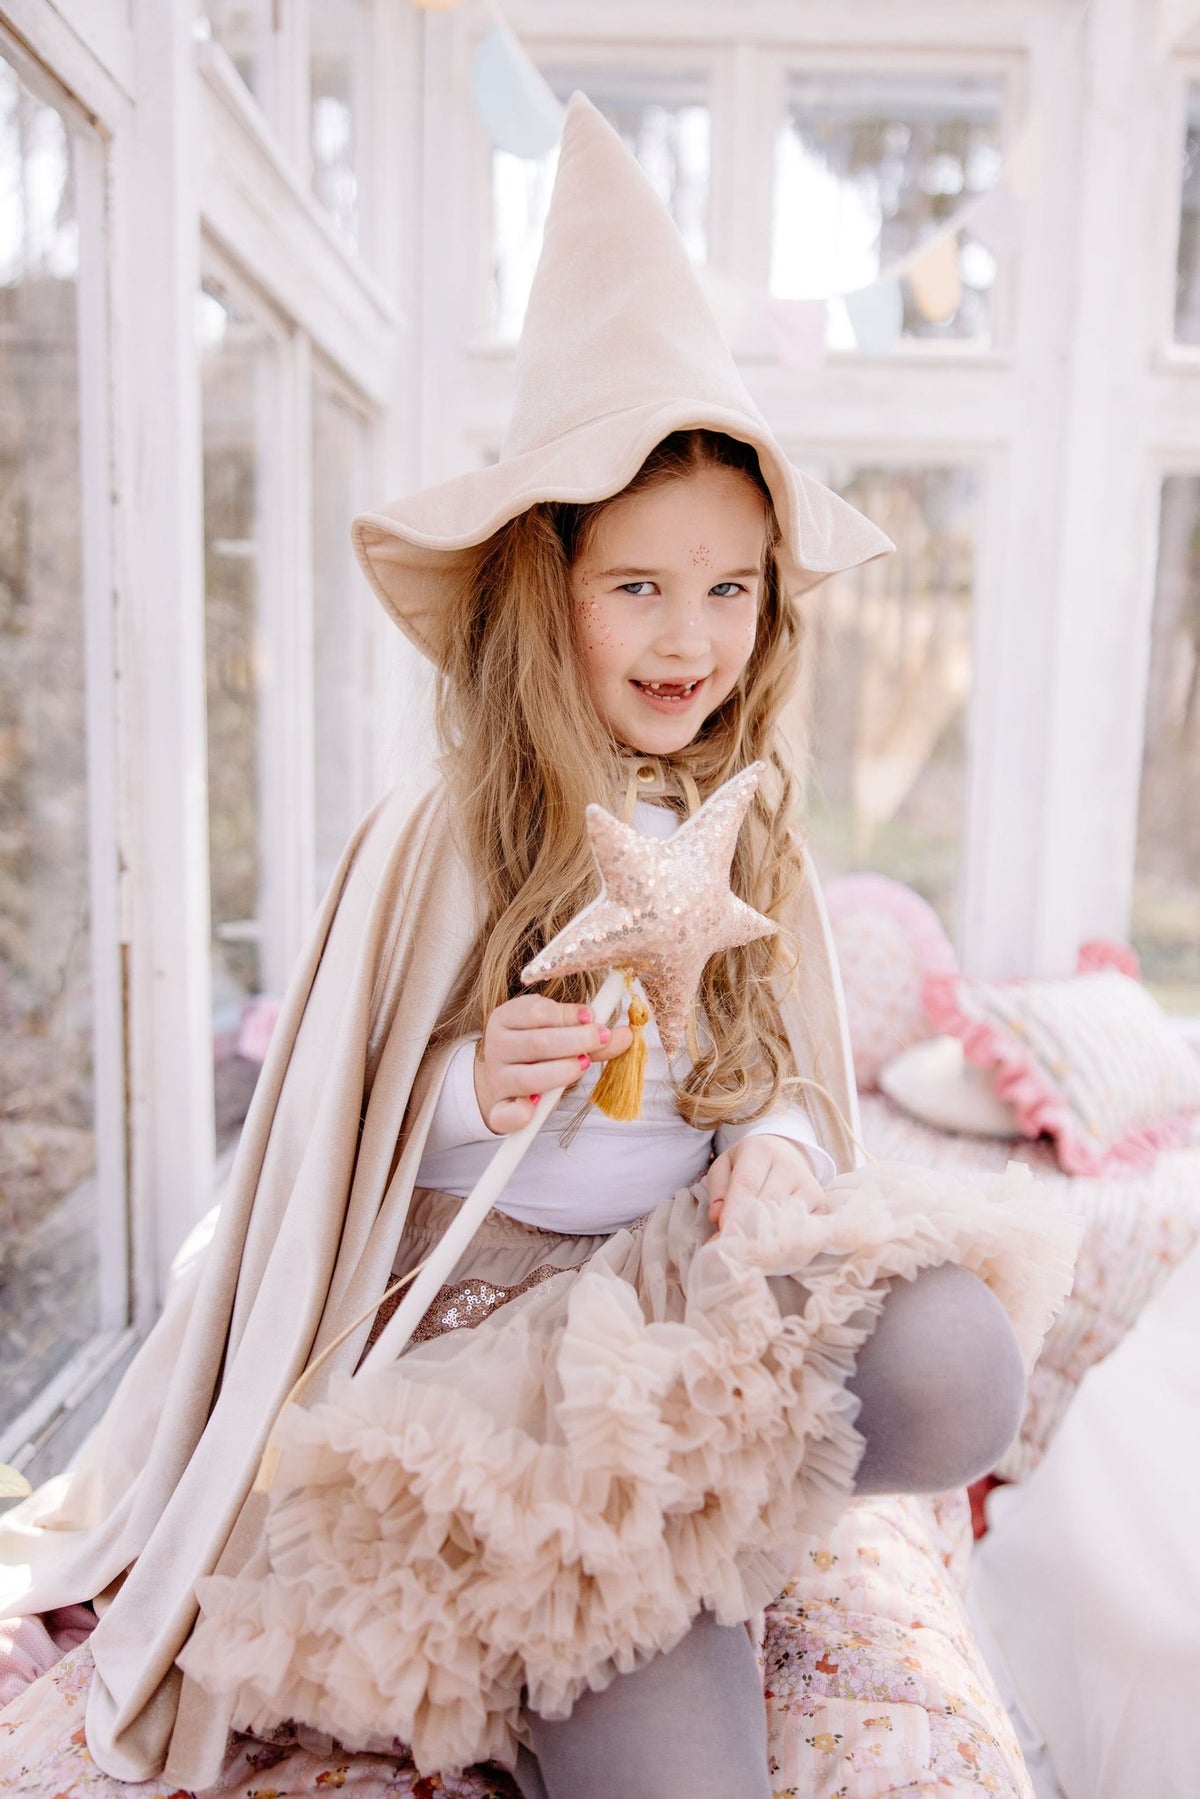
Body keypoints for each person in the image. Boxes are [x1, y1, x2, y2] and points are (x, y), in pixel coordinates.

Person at [0, 96, 1078, 1798]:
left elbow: (781, 1074)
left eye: (731, 592)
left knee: (965, 1366)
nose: (689, 637)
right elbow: (330, 1130)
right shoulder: (442, 836)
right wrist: (467, 1087)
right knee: (667, 1763)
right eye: (640, 585)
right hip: (490, 1337)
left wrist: (782, 1150)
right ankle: (590, 1596)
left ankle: (700, 1529)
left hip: (677, 1297)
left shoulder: (759, 837)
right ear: (545, 586)